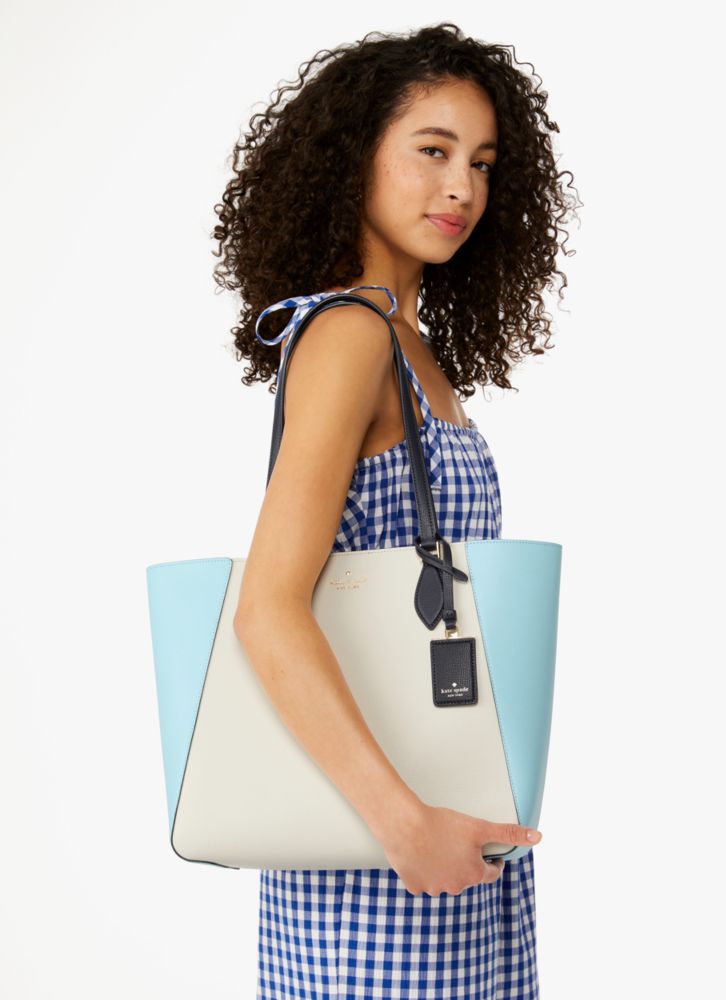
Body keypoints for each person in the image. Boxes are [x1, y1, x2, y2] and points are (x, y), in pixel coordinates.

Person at [213, 21, 579, 1000]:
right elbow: (268, 609)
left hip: (445, 837)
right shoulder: (348, 335)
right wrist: (403, 824)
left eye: (481, 163)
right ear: (354, 159)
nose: (461, 188)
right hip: (379, 856)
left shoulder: (411, 349)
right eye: (432, 150)